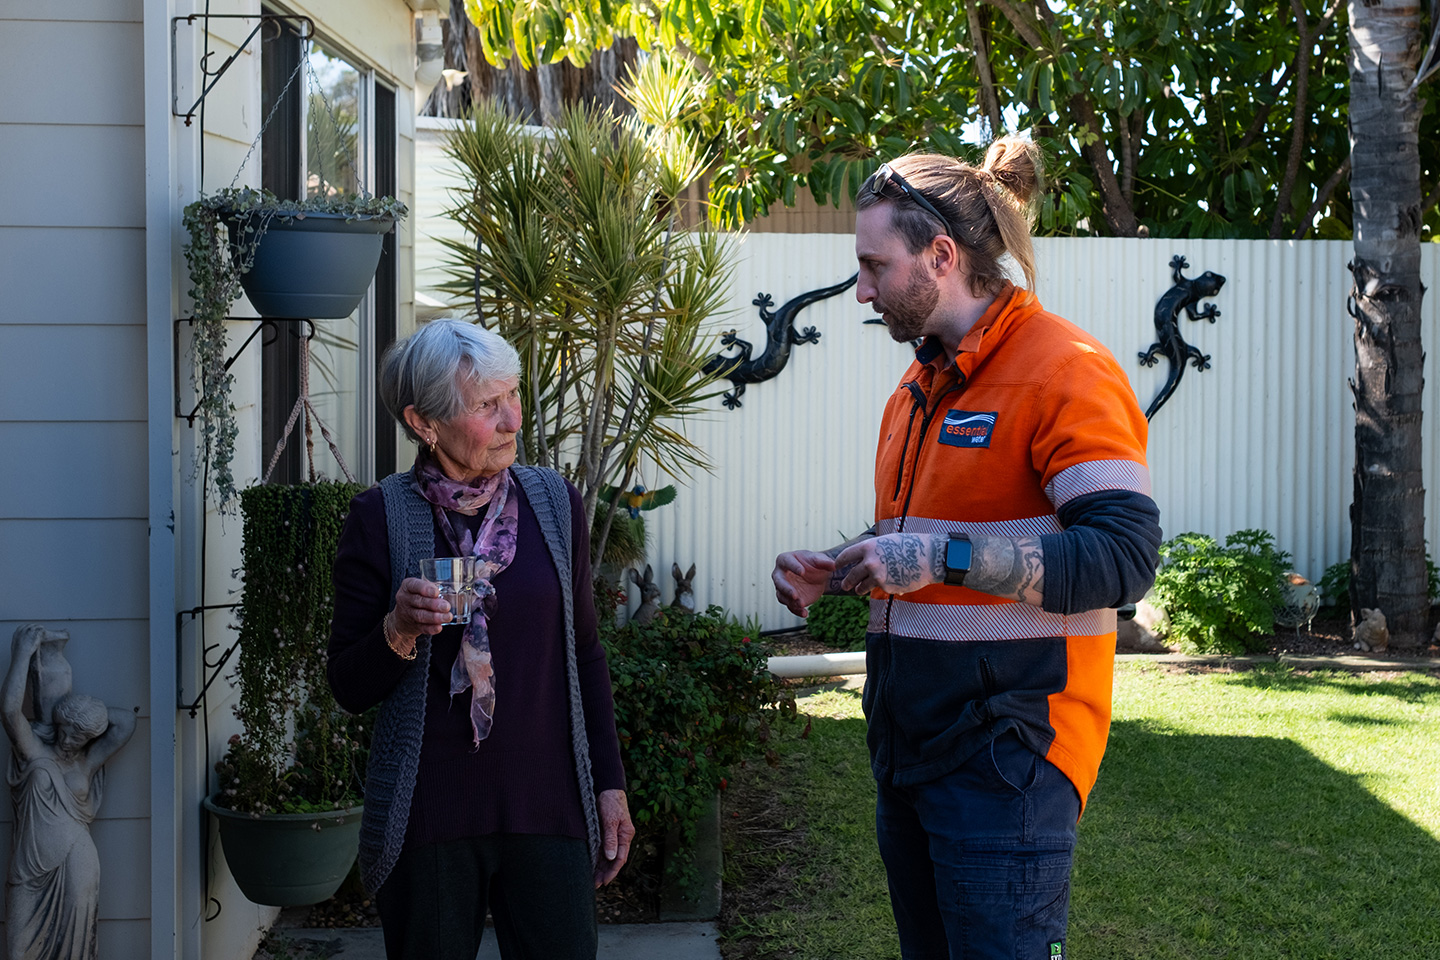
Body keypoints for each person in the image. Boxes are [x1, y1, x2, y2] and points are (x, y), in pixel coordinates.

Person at [772, 140, 1162, 959]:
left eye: (874, 266)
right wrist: (846, 568)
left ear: (940, 256)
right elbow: (924, 546)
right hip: (908, 755)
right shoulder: (916, 389)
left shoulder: (1066, 369)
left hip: (1009, 765)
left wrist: (938, 558)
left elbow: (1123, 557)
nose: (862, 291)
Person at [327, 319, 633, 960]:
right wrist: (398, 629)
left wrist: (609, 784)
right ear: (423, 423)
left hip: (546, 802)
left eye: (512, 395)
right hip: (431, 814)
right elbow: (349, 687)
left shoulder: (554, 503)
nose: (512, 419)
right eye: (487, 405)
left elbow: (586, 653)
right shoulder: (380, 518)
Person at [3, 623, 136, 960]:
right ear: (56, 724)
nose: (69, 740)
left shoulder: (86, 762)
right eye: (65, 731)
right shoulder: (32, 751)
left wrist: (86, 714)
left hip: (77, 859)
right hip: (29, 865)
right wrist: (21, 654)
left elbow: (125, 723)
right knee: (18, 949)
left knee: (77, 948)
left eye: (78, 736)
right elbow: (8, 712)